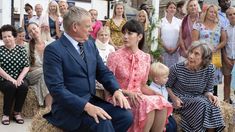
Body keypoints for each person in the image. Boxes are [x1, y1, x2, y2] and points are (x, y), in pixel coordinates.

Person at [43, 6, 133, 132]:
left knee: (126, 116)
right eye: (88, 26)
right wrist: (86, 106)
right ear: (75, 27)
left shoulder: (90, 44)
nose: (92, 29)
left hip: (91, 100)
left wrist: (116, 90)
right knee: (103, 123)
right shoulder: (53, 50)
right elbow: (57, 89)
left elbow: (103, 72)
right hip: (69, 109)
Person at [106, 19, 173, 132]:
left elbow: (142, 86)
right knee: (148, 104)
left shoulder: (146, 57)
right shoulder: (114, 56)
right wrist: (127, 92)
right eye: (124, 33)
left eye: (130, 33)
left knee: (162, 102)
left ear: (139, 37)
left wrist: (156, 93)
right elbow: (108, 85)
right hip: (119, 97)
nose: (125, 36)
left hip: (138, 98)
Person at [166, 41, 225, 131]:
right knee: (202, 104)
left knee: (213, 105)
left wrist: (211, 96)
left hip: (198, 98)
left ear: (204, 58)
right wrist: (174, 98)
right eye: (191, 52)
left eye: (196, 54)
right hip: (180, 99)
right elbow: (167, 86)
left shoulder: (210, 69)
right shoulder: (177, 68)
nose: (191, 56)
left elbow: (208, 90)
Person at [192, 5, 227, 96]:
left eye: (215, 12)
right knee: (200, 81)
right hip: (201, 57)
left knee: (213, 83)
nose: (213, 14)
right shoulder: (198, 25)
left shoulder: (220, 26)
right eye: (211, 11)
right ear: (206, 12)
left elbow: (224, 41)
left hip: (214, 57)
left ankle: (213, 105)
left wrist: (216, 47)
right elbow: (194, 42)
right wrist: (203, 49)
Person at [0, 25, 29, 125]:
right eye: (4, 37)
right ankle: (6, 114)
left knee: (23, 86)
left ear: (14, 37)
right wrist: (11, 79)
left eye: (9, 36)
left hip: (19, 76)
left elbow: (26, 66)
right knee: (11, 87)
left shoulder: (21, 49)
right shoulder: (0, 50)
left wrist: (20, 78)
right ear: (2, 38)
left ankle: (17, 112)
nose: (7, 39)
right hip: (4, 79)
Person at [27, 22, 53, 108]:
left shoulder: (49, 44)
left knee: (44, 76)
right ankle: (49, 108)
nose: (33, 32)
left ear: (39, 28)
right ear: (29, 34)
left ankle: (48, 107)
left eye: (34, 28)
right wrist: (42, 68)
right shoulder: (27, 47)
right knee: (45, 72)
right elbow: (26, 67)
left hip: (45, 75)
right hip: (32, 76)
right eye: (30, 31)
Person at [149, 62, 177, 132]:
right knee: (169, 128)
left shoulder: (163, 87)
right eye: (165, 77)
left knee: (174, 125)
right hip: (159, 114)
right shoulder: (151, 90)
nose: (167, 79)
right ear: (156, 79)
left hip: (167, 113)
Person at [160, 1, 181, 68]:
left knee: (175, 70)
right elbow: (158, 37)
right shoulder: (161, 21)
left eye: (174, 8)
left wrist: (175, 48)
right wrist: (166, 48)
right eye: (170, 7)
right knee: (164, 71)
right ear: (167, 9)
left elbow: (180, 37)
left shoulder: (179, 21)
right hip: (164, 51)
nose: (172, 9)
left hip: (176, 51)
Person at [222, 7, 235, 103]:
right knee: (227, 82)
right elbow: (223, 46)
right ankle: (226, 101)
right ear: (227, 17)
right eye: (230, 15)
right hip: (228, 59)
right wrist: (226, 59)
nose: (232, 16)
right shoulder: (225, 30)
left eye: (234, 13)